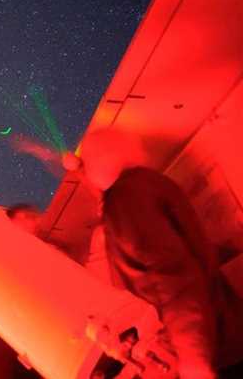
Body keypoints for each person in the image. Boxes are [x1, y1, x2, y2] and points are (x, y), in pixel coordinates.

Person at [79, 129, 225, 379]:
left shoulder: (127, 197)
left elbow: (168, 276)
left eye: (87, 167)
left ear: (99, 164)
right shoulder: (149, 185)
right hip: (215, 329)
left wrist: (194, 360)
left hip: (210, 348)